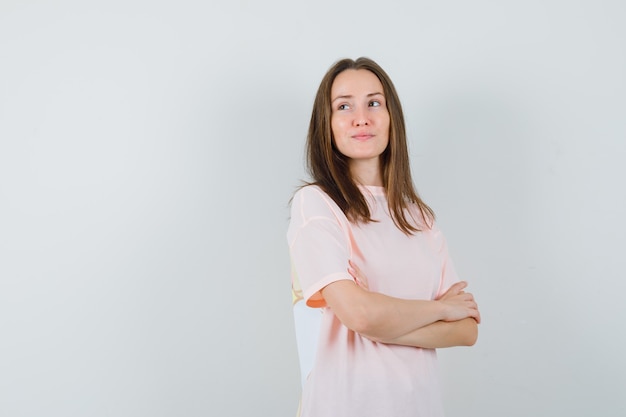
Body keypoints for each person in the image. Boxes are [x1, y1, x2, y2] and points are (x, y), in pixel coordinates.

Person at [287, 57, 481, 417]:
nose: (361, 117)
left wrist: (379, 321)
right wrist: (439, 310)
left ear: (392, 118)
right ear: (326, 125)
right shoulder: (316, 204)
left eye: (374, 103)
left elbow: (466, 329)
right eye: (344, 106)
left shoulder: (419, 218)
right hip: (343, 406)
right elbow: (360, 315)